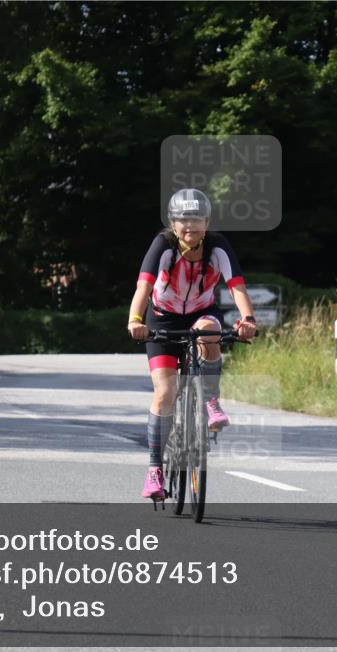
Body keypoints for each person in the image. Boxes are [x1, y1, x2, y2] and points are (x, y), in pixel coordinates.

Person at [127, 188, 258, 500]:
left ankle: (210, 400)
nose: (190, 226)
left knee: (211, 330)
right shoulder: (163, 245)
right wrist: (135, 319)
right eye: (183, 220)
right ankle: (155, 470)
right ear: (173, 224)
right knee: (164, 395)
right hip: (163, 319)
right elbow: (144, 285)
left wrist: (248, 319)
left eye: (196, 219)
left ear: (207, 221)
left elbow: (236, 286)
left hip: (201, 312)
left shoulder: (218, 245)